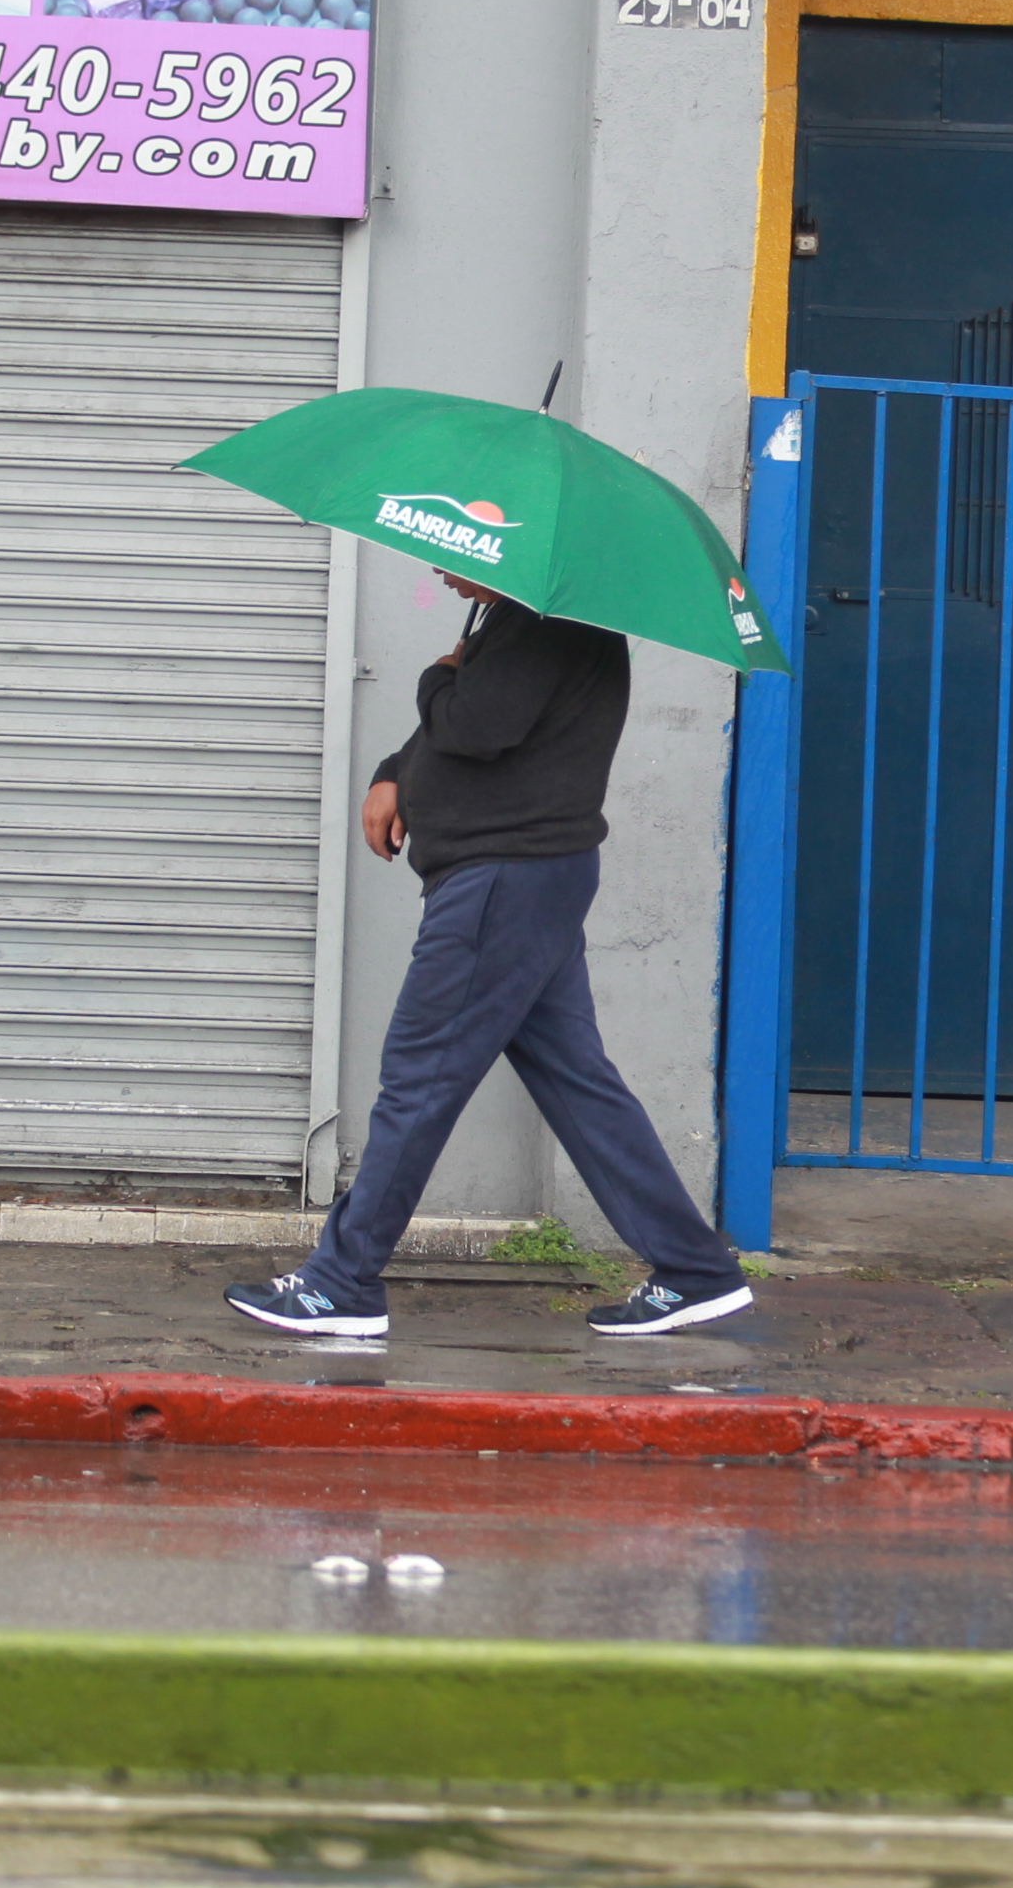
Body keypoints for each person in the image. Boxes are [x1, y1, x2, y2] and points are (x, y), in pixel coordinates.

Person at [225, 572, 756, 1343]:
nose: (440, 569)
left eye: (460, 550)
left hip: (502, 883)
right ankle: (695, 1271)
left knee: (419, 1078)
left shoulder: (549, 625)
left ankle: (340, 1283)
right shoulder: (516, 623)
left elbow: (476, 727)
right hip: (524, 880)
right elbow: (466, 727)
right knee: (578, 1083)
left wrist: (436, 674)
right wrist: (395, 769)